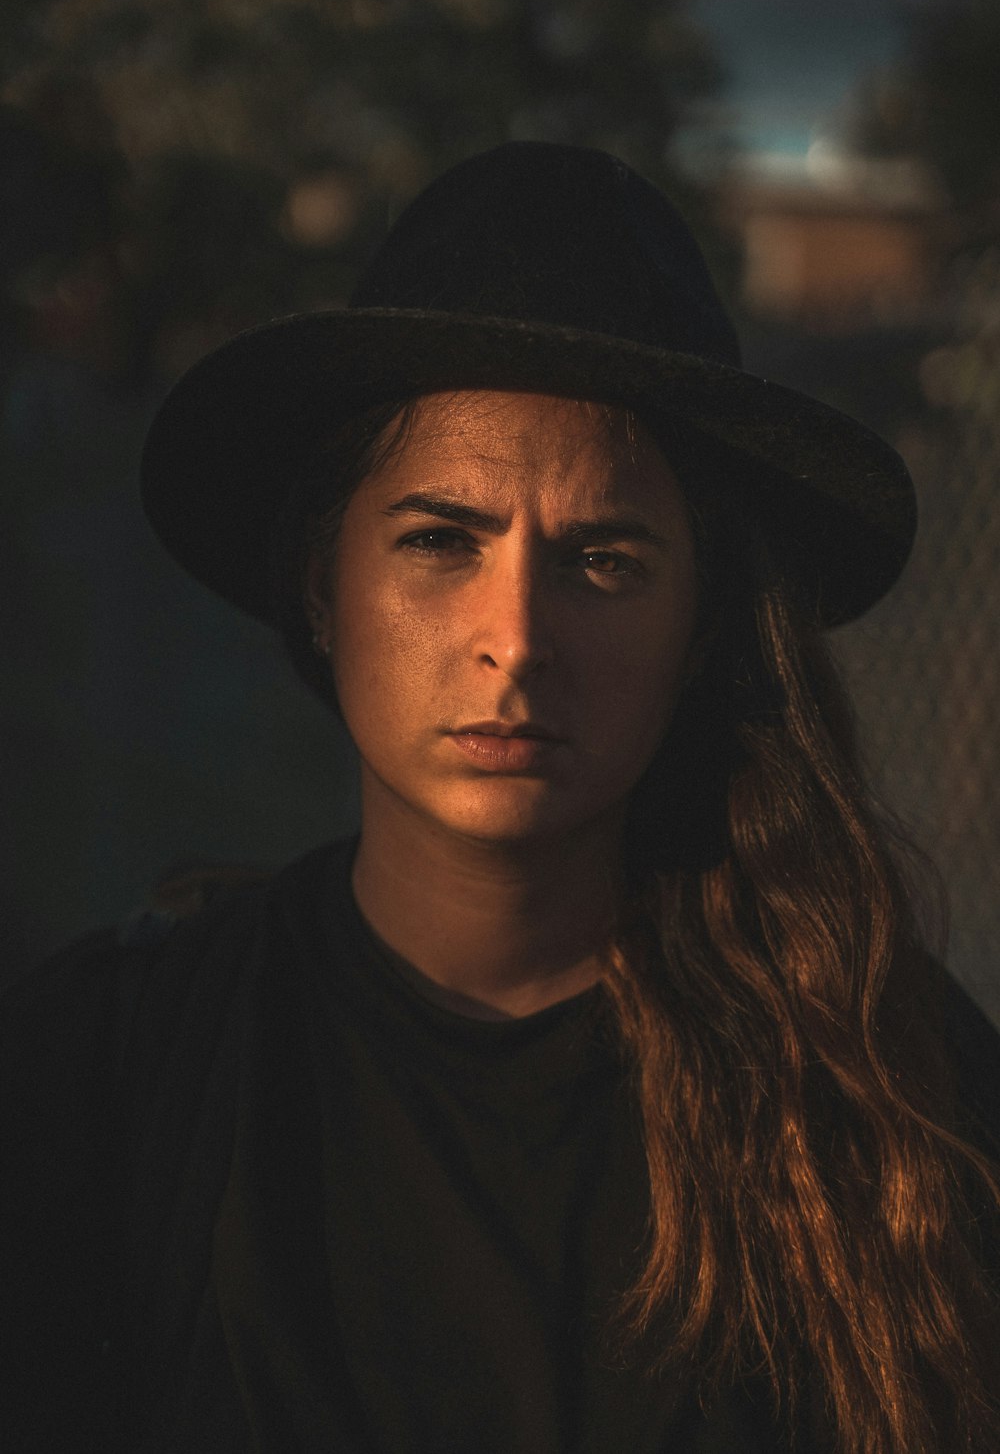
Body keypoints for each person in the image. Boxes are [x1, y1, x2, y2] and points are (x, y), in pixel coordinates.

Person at [3, 141, 1000, 1454]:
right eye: (438, 543)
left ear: (701, 626)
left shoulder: (892, 1087)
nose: (516, 640)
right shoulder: (105, 1075)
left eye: (604, 560)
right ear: (323, 582)